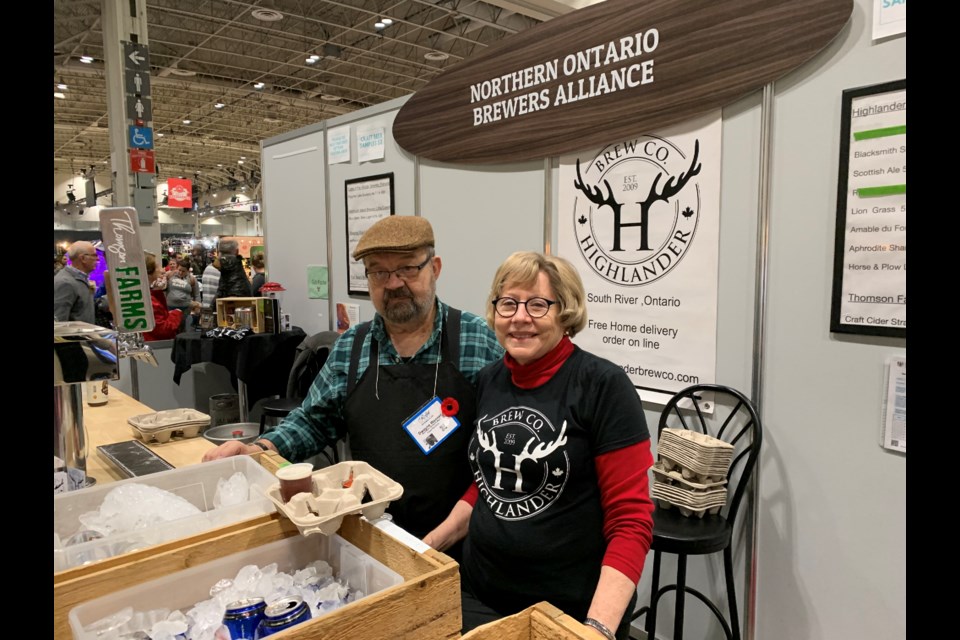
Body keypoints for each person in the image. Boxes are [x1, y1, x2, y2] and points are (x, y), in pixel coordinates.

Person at [202, 216, 504, 550]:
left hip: (461, 539)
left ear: (435, 268)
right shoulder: (352, 347)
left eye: (407, 268)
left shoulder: (477, 340)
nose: (393, 284)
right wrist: (259, 449)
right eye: (379, 272)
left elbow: (501, 449)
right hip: (371, 535)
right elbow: (313, 421)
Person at [426, 252, 654, 640]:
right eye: (508, 303)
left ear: (566, 313)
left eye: (537, 305)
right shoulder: (488, 381)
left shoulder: (604, 387)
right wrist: (429, 546)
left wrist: (596, 629)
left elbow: (631, 521)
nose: (519, 317)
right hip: (480, 595)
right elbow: (487, 483)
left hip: (567, 610)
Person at [143, 253, 200, 341]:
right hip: (156, 343)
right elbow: (162, 330)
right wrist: (176, 313)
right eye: (158, 266)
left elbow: (196, 293)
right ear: (150, 272)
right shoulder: (149, 298)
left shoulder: (192, 279)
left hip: (184, 309)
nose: (162, 270)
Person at [54, 241, 98, 323]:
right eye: (94, 255)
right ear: (83, 258)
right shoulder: (66, 283)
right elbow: (58, 324)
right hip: (76, 335)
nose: (98, 258)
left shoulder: (79, 279)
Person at [165, 261, 200, 331]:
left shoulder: (192, 279)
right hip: (170, 307)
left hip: (184, 308)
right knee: (170, 328)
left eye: (183, 271)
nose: (180, 272)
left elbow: (197, 294)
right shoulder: (170, 275)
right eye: (179, 270)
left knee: (182, 328)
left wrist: (197, 307)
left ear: (187, 271)